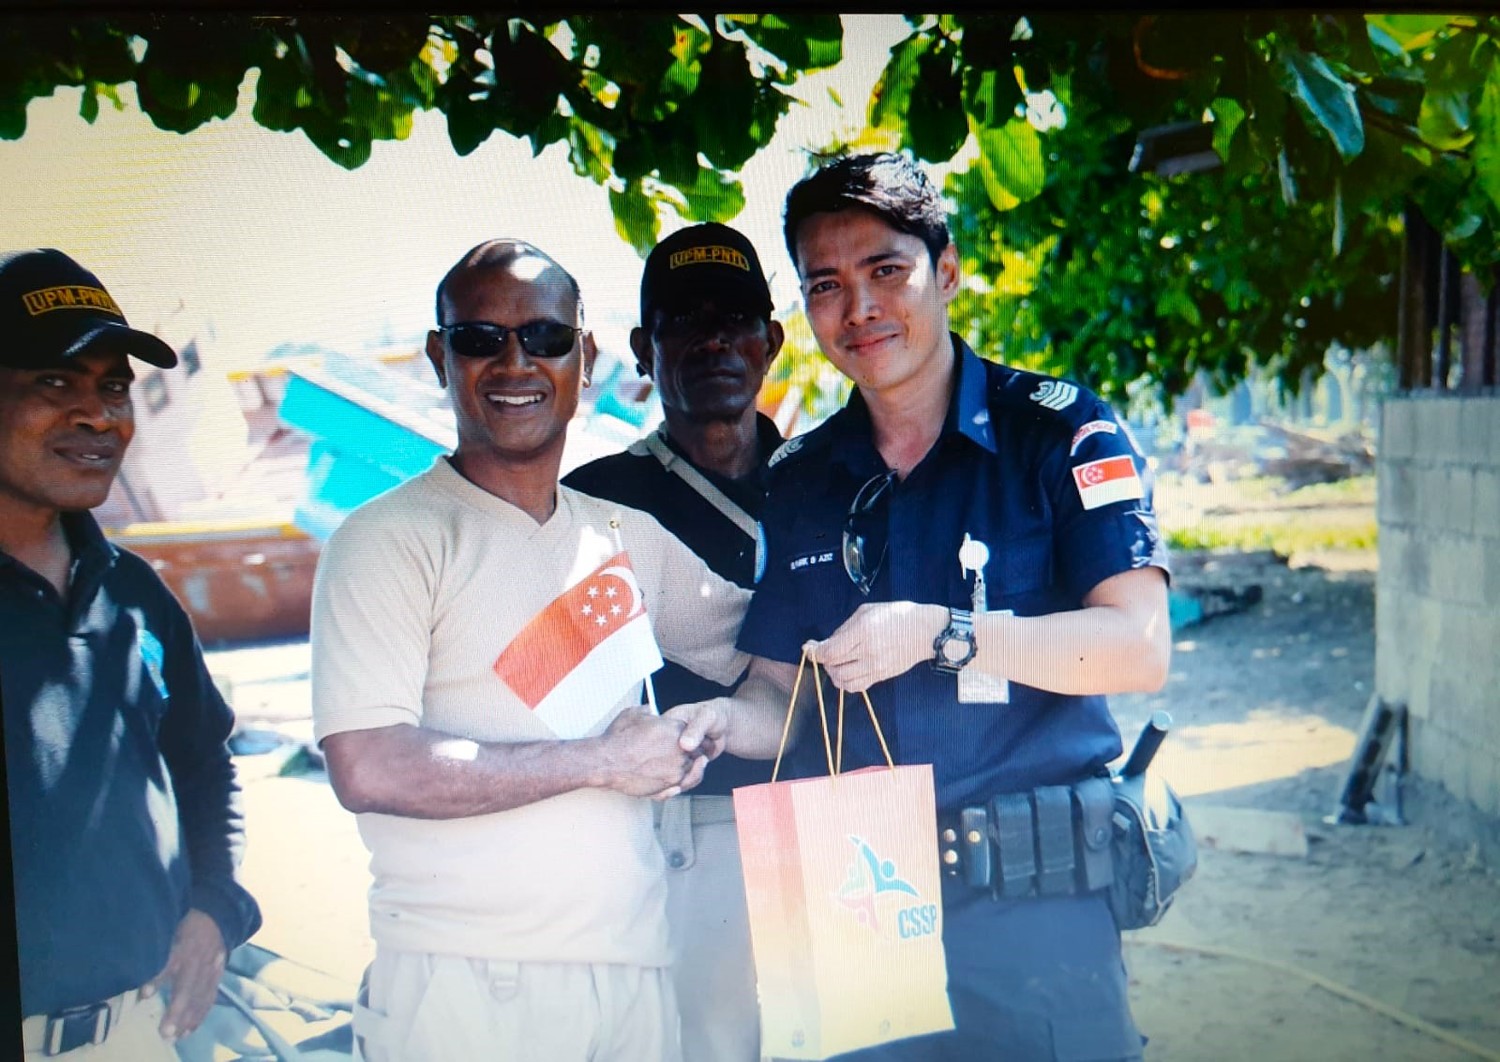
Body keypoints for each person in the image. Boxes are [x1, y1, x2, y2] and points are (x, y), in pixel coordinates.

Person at [737, 153, 1172, 1060]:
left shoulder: (1059, 431)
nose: (858, 309)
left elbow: (1138, 647)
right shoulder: (799, 479)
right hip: (859, 900)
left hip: (1036, 902)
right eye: (826, 285)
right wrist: (703, 726)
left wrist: (943, 633)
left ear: (946, 271)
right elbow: (781, 695)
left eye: (885, 271)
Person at [310, 239, 788, 1061]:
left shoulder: (623, 536)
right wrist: (601, 762)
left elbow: (776, 683)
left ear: (586, 357)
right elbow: (370, 766)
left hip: (636, 979)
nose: (515, 363)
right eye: (479, 339)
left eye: (544, 337)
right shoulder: (387, 540)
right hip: (468, 988)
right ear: (439, 356)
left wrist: (717, 721)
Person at [0, 248, 263, 1059]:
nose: (98, 416)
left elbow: (203, 762)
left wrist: (214, 907)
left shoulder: (135, 593)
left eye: (114, 387)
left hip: (137, 1035)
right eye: (55, 382)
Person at [563, 221, 785, 1062]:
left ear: (771, 341)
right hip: (694, 832)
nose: (714, 340)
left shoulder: (830, 480)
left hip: (837, 807)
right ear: (642, 349)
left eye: (736, 319)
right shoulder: (596, 500)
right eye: (685, 319)